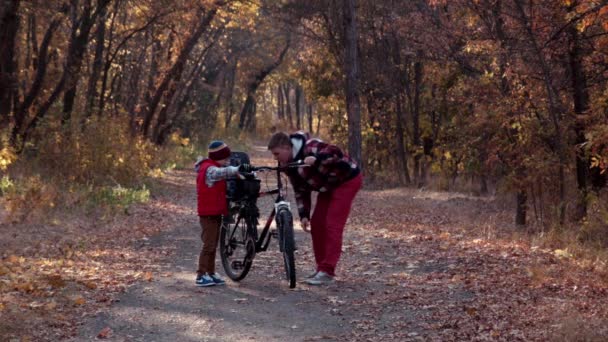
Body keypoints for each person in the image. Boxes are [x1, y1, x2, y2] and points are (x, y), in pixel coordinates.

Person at [267, 131, 362, 285]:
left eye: (277, 154)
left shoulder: (310, 147)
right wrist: (304, 215)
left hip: (347, 179)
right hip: (328, 185)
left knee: (332, 225)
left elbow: (335, 152)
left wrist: (317, 160)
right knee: (317, 224)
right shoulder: (290, 166)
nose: (275, 158)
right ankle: (321, 268)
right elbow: (300, 190)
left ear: (286, 148)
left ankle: (327, 270)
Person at [194, 140, 249, 287]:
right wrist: (233, 169)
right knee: (208, 245)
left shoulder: (213, 167)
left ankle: (210, 272)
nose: (227, 161)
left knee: (213, 244)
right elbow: (221, 173)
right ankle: (201, 275)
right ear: (217, 157)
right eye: (225, 159)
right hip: (208, 214)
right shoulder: (209, 169)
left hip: (215, 212)